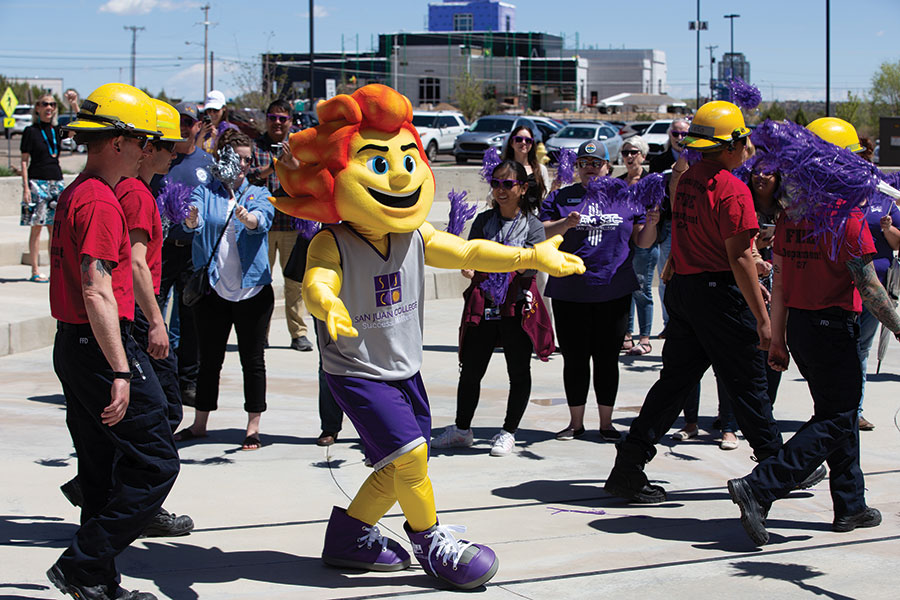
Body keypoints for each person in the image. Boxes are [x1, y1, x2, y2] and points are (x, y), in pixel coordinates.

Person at [274, 84, 582, 590]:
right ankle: (431, 541)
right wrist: (323, 302)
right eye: (377, 164)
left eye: (407, 158)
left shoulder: (414, 235)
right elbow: (318, 280)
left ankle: (348, 537)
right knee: (411, 457)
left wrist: (532, 256)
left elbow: (469, 253)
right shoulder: (333, 239)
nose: (399, 174)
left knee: (402, 463)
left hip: (404, 369)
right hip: (356, 370)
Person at [604, 101, 825, 504]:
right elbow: (739, 257)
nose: (747, 147)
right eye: (742, 140)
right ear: (729, 145)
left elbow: (702, 241)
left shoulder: (688, 180)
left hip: (687, 293)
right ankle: (776, 468)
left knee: (674, 385)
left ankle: (628, 467)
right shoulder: (732, 189)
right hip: (719, 297)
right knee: (749, 385)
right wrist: (762, 318)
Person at [727, 117, 900, 546]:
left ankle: (850, 504)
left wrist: (780, 337)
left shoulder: (793, 217)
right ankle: (762, 484)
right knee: (838, 417)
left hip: (803, 328)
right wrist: (898, 326)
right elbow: (870, 287)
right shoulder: (848, 219)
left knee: (835, 413)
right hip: (831, 327)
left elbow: (782, 283)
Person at [47, 82, 179, 600]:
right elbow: (97, 288)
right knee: (156, 461)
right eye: (143, 142)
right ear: (117, 141)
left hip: (73, 344)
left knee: (99, 467)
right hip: (99, 345)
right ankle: (84, 565)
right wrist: (121, 370)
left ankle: (98, 582)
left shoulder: (77, 191)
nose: (148, 151)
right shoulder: (101, 202)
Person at [431, 160, 552, 456]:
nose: (500, 190)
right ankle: (462, 429)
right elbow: (472, 256)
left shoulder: (533, 226)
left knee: (518, 371)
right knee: (471, 370)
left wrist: (503, 267)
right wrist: (471, 269)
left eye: (508, 184)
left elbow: (530, 267)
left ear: (522, 188)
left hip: (516, 306)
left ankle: (509, 431)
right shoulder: (484, 222)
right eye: (496, 183)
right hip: (484, 303)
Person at [541, 140, 659, 441]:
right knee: (575, 359)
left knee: (607, 359)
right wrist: (565, 223)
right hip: (570, 290)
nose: (590, 167)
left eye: (596, 162)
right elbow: (540, 232)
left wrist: (654, 223)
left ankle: (606, 424)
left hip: (613, 289)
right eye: (584, 163)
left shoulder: (625, 197)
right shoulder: (561, 197)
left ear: (608, 166)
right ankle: (575, 423)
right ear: (577, 168)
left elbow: (643, 242)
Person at [176, 129, 275, 451]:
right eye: (239, 158)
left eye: (248, 159)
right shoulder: (207, 192)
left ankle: (253, 427)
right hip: (213, 290)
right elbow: (195, 220)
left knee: (253, 360)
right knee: (210, 360)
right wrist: (191, 220)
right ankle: (200, 423)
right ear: (225, 158)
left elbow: (264, 219)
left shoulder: (256, 192)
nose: (244, 164)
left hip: (252, 292)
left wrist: (250, 219)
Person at [153, 102, 214, 406]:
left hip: (193, 252)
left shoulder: (207, 162)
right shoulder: (159, 158)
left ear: (199, 126)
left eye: (189, 122)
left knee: (190, 320)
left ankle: (187, 380)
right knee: (152, 314)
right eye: (179, 121)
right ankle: (153, 376)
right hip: (161, 251)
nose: (184, 127)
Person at [248, 98, 314, 352]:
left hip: (292, 225)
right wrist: (272, 167)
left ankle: (298, 334)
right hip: (261, 226)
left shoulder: (299, 147)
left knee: (294, 283)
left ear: (289, 121)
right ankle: (259, 333)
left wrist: (293, 165)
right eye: (273, 117)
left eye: (282, 118)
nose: (277, 122)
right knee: (260, 282)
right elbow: (250, 178)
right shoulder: (256, 146)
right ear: (266, 119)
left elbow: (309, 181)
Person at [19, 93, 74, 282]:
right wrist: (26, 188)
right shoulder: (30, 131)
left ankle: (54, 270)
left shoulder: (57, 130)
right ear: (37, 108)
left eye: (52, 104)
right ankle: (34, 269)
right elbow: (24, 161)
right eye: (45, 104)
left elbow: (78, 129)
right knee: (37, 227)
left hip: (56, 182)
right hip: (37, 182)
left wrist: (74, 104)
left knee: (54, 229)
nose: (49, 107)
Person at [649, 118, 691, 338]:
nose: (680, 139)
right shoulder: (658, 162)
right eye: (676, 134)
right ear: (669, 136)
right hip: (667, 225)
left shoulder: (698, 159)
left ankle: (688, 322)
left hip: (692, 225)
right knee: (666, 276)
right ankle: (669, 322)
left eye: (685, 134)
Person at [617, 135, 656, 356]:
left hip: (645, 243)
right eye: (626, 153)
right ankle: (627, 335)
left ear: (643, 155)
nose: (630, 157)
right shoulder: (619, 181)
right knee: (626, 288)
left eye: (634, 152)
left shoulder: (651, 181)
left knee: (642, 289)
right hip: (624, 243)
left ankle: (645, 338)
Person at [502, 123, 552, 207]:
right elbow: (491, 199)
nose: (523, 143)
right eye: (519, 139)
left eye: (528, 140)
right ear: (511, 143)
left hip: (534, 217)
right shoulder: (503, 169)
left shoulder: (540, 169)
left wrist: (554, 189)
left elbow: (544, 198)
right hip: (508, 217)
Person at [198, 90, 237, 154]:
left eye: (216, 110)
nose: (212, 114)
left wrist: (216, 139)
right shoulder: (201, 129)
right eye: (209, 110)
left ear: (224, 108)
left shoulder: (231, 130)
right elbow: (196, 154)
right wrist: (201, 135)